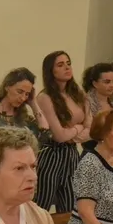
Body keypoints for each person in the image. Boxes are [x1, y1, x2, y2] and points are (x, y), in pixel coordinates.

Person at [35, 50, 91, 213]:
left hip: (71, 154)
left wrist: (72, 132)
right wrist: (79, 127)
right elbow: (59, 136)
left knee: (69, 206)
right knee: (42, 205)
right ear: (51, 71)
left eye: (68, 63)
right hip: (51, 154)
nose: (67, 68)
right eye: (60, 65)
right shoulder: (45, 97)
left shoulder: (78, 94)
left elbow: (91, 129)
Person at [0, 67, 52, 145]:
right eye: (19, 92)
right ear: (7, 87)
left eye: (27, 94)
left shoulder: (22, 116)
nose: (23, 98)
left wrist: (33, 103)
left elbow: (46, 134)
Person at [81, 63, 113, 152]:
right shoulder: (86, 102)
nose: (112, 85)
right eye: (107, 82)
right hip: (92, 152)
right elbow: (88, 132)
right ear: (95, 83)